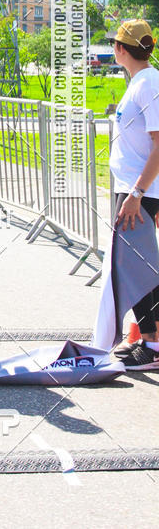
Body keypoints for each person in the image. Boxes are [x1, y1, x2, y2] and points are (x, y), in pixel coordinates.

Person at [92, 19, 159, 370]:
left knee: (138, 269)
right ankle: (147, 339)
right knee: (132, 267)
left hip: (139, 191)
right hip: (133, 189)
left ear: (120, 49)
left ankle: (153, 344)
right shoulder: (140, 82)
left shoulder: (149, 83)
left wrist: (138, 192)